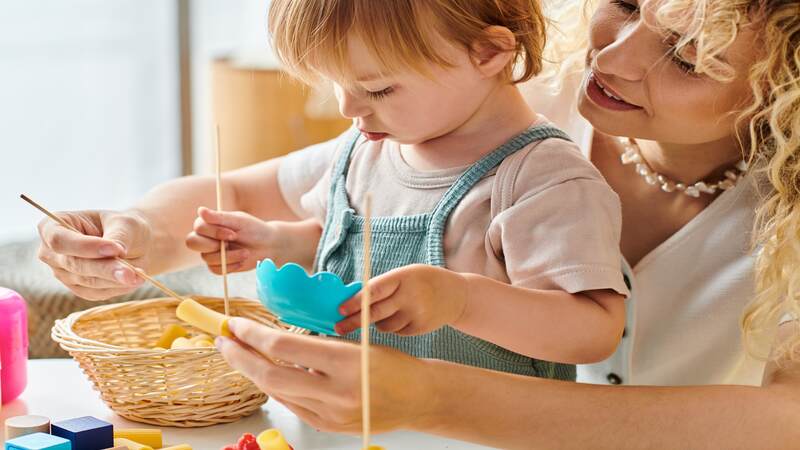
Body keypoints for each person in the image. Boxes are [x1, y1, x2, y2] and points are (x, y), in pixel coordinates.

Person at [36, 0, 800, 447]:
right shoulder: (476, 101)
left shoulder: (519, 145)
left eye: (689, 56)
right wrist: (134, 231)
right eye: (629, 1)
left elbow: (783, 419)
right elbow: (266, 191)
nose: (616, 54)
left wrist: (435, 392)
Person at [188, 0, 629, 380]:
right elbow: (358, 248)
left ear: (489, 52)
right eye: (335, 84)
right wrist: (278, 242)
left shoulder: (541, 179)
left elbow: (593, 330)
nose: (348, 107)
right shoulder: (364, 153)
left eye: (377, 88)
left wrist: (462, 301)